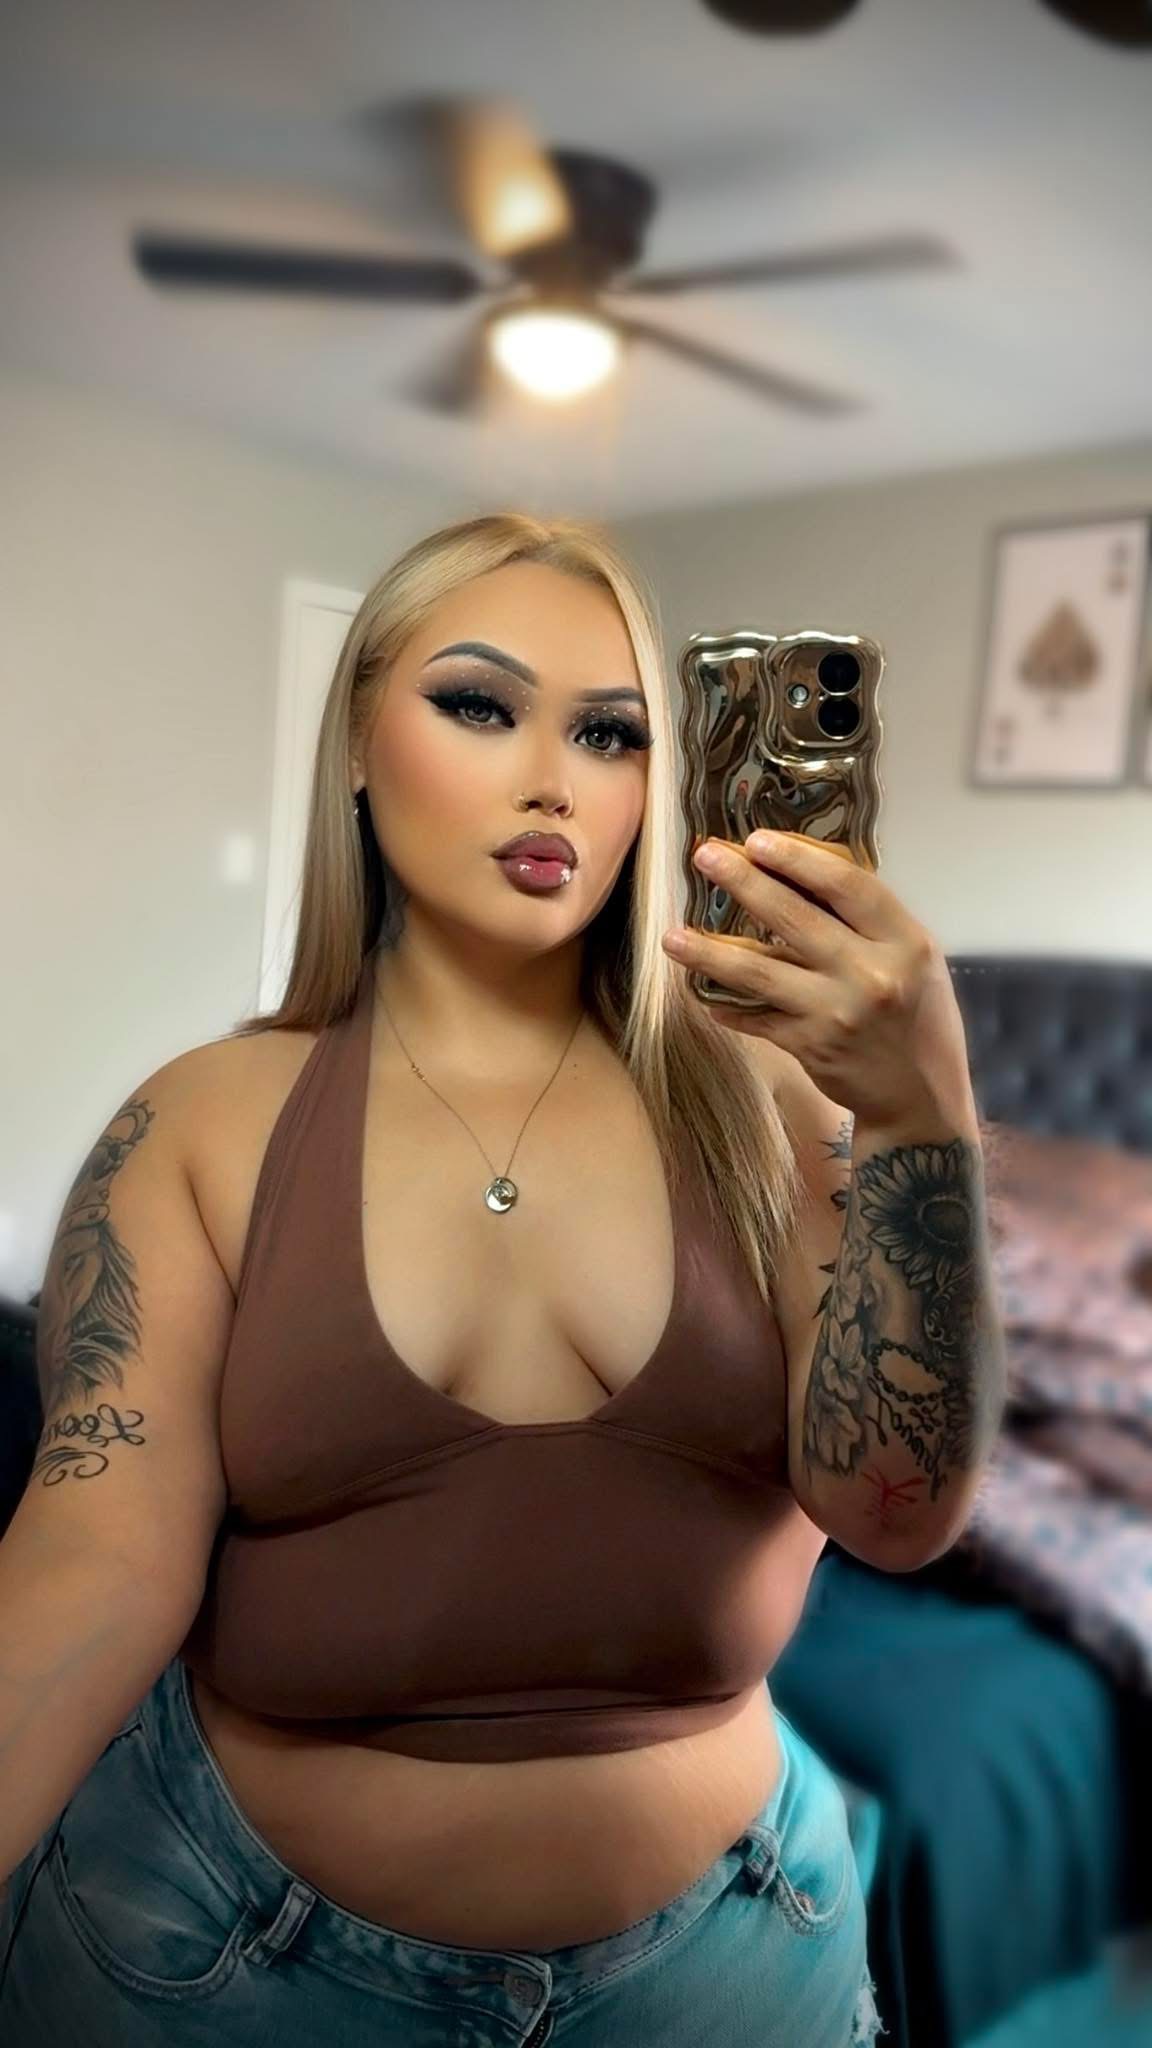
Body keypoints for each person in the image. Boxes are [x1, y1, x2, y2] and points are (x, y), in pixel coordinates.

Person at [0, 512, 885, 2044]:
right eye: (480, 705)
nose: (554, 780)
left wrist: (926, 1109)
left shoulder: (779, 1105)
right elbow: (94, 1557)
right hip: (224, 1969)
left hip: (735, 1968)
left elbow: (902, 1507)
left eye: (610, 732)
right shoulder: (201, 1122)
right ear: (357, 742)